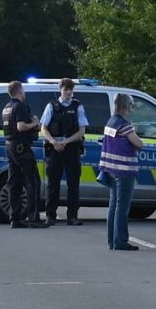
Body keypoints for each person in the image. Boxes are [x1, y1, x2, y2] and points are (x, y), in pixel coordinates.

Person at [41, 78, 89, 226]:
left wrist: (65, 142)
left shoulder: (77, 106)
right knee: (53, 183)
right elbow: (43, 128)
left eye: (70, 89)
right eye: (66, 89)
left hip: (72, 147)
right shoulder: (51, 106)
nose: (68, 92)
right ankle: (50, 216)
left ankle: (72, 216)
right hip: (55, 148)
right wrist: (54, 142)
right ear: (60, 89)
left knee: (73, 184)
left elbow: (82, 130)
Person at [99, 93, 143, 251]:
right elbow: (138, 143)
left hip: (111, 169)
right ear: (126, 106)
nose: (132, 109)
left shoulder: (111, 122)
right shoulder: (124, 125)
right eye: (131, 106)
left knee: (113, 206)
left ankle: (112, 240)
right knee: (122, 207)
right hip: (124, 170)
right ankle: (121, 241)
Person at [2, 80, 47, 228]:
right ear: (20, 91)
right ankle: (33, 218)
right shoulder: (20, 106)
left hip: (10, 147)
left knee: (14, 184)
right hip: (21, 148)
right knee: (33, 182)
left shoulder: (7, 107)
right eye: (23, 89)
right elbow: (21, 127)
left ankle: (15, 219)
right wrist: (35, 123)